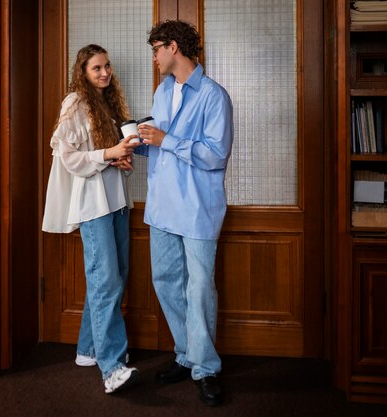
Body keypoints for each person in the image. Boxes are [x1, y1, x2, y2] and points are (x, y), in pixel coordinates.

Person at [136, 20, 234, 406]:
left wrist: (166, 139)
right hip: (161, 206)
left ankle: (206, 368)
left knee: (199, 289)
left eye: (157, 48)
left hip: (196, 209)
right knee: (166, 282)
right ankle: (187, 353)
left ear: (173, 47)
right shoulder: (162, 91)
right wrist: (138, 146)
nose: (155, 56)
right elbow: (161, 145)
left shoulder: (214, 96)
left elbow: (215, 154)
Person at [42, 44, 141, 394]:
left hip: (115, 201)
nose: (104, 73)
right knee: (106, 281)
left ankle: (87, 349)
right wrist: (108, 153)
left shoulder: (108, 104)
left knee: (115, 276)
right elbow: (68, 156)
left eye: (107, 66)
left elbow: (100, 155)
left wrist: (119, 159)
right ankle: (112, 367)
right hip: (93, 206)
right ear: (82, 72)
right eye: (96, 68)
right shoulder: (75, 102)